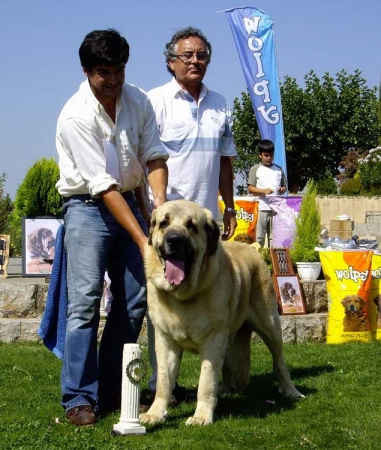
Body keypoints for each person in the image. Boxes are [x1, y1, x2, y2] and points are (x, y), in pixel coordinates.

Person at [55, 29, 168, 426]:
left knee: (136, 298)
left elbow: (153, 156)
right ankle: (78, 398)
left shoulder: (138, 101)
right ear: (86, 70)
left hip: (131, 202)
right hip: (88, 209)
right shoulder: (75, 115)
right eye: (105, 72)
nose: (115, 79)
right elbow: (103, 187)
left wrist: (160, 209)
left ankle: (112, 387)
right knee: (84, 304)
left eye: (120, 69)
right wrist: (143, 240)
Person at [145, 26, 237, 398]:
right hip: (167, 222)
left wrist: (228, 206)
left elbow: (226, 162)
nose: (196, 61)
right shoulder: (154, 101)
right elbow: (149, 157)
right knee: (160, 298)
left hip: (204, 226)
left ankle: (210, 380)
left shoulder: (222, 104)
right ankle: (159, 385)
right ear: (171, 62)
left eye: (202, 55)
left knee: (208, 294)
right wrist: (158, 208)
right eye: (187, 55)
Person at [247, 139, 287, 247]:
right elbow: (250, 188)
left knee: (274, 236)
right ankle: (258, 258)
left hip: (276, 208)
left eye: (271, 155)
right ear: (260, 155)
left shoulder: (278, 169)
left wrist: (282, 189)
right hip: (261, 207)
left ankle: (272, 259)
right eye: (266, 155)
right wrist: (263, 191)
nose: (269, 158)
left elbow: (284, 186)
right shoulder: (255, 169)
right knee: (259, 236)